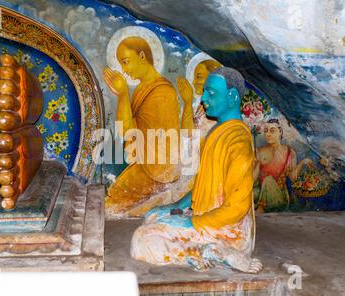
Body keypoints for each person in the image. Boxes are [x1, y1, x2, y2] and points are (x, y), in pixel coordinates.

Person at [130, 67, 263, 273]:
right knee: (153, 217)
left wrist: (191, 223)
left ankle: (218, 252)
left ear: (232, 97)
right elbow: (203, 186)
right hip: (207, 216)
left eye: (211, 93)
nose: (203, 99)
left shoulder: (238, 142)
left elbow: (236, 209)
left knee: (141, 239)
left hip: (227, 230)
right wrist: (175, 206)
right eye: (204, 92)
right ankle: (202, 251)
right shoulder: (218, 131)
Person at [104, 37, 181, 217]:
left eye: (126, 62)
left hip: (157, 170)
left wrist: (123, 94)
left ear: (141, 56)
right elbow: (128, 131)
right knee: (112, 200)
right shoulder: (142, 89)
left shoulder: (162, 92)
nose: (124, 69)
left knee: (112, 204)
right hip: (145, 163)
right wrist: (123, 95)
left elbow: (159, 146)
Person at [254, 119, 314, 213]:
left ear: (280, 132)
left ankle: (260, 209)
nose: (268, 134)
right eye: (266, 131)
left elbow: (293, 178)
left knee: (268, 180)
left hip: (279, 197)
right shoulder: (259, 151)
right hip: (260, 193)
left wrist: (303, 162)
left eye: (272, 131)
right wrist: (256, 163)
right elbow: (253, 179)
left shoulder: (290, 152)